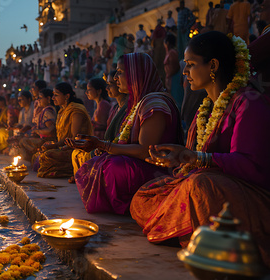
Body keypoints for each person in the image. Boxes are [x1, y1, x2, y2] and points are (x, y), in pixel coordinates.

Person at [130, 31, 270, 266]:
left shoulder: (248, 102)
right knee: (145, 194)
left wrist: (198, 158)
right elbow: (193, 158)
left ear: (213, 65)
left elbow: (252, 166)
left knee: (200, 186)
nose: (184, 72)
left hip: (248, 194)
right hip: (208, 181)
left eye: (191, 64)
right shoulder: (204, 109)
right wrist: (179, 157)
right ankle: (194, 229)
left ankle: (206, 235)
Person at [67, 52, 183, 214]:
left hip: (158, 169)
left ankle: (128, 205)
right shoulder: (139, 102)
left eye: (120, 72)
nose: (115, 78)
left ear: (136, 75)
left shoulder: (155, 102)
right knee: (99, 160)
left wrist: (103, 144)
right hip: (138, 162)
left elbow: (145, 151)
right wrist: (102, 147)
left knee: (111, 167)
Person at [33, 82, 93, 178]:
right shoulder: (62, 111)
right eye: (53, 95)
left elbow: (75, 139)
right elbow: (63, 137)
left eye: (56, 95)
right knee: (37, 155)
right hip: (65, 147)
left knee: (46, 156)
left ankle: (73, 170)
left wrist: (56, 146)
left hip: (77, 151)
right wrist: (53, 145)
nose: (53, 98)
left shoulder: (76, 111)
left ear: (67, 96)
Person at [19, 88, 57, 161]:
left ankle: (31, 157)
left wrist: (37, 131)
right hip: (43, 138)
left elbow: (51, 130)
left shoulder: (48, 111)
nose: (38, 100)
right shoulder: (45, 110)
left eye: (40, 98)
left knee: (23, 141)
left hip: (47, 140)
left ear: (48, 99)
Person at [163, 33, 183, 108]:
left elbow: (175, 67)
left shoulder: (172, 52)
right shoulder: (169, 52)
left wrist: (169, 75)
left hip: (174, 79)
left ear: (167, 43)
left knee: (176, 100)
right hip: (171, 78)